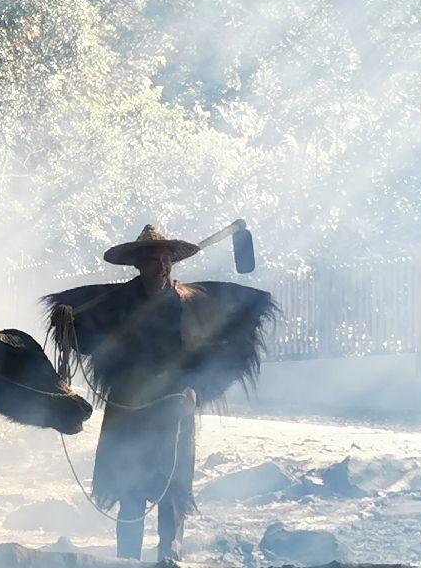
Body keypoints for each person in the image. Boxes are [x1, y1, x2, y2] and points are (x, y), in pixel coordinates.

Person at [44, 225, 274, 563]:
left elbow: (216, 355)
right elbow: (79, 333)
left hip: (176, 408)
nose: (161, 265)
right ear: (137, 264)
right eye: (152, 259)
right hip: (129, 409)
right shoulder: (113, 304)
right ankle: (128, 560)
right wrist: (65, 320)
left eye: (167, 258)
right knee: (130, 492)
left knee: (172, 491)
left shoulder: (195, 304)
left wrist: (198, 392)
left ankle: (170, 555)